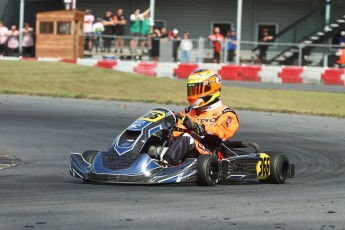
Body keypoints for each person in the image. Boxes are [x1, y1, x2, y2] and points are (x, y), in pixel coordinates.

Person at [161, 69, 240, 167]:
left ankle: (165, 164)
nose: (193, 94)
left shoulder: (226, 113)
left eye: (197, 90)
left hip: (211, 153)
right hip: (188, 150)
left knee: (187, 137)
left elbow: (221, 132)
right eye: (192, 90)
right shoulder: (188, 112)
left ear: (211, 89)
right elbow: (178, 132)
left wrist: (200, 127)